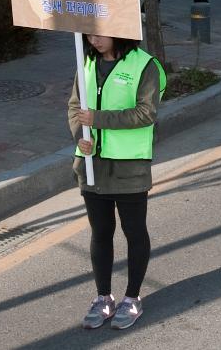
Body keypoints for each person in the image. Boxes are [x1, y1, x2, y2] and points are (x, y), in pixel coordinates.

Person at [68, 34, 167, 331]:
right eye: (89, 34)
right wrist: (80, 136)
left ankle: (133, 297)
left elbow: (145, 113)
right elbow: (75, 107)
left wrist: (96, 119)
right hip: (92, 165)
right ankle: (103, 298)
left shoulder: (145, 65)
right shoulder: (85, 61)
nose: (93, 40)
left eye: (100, 34)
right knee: (101, 233)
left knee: (134, 231)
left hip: (129, 167)